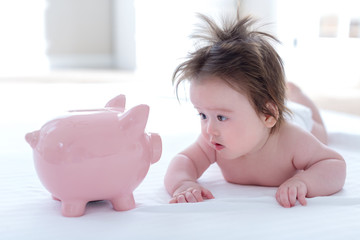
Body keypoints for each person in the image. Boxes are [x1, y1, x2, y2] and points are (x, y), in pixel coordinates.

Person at [164, 11, 346, 208]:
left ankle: (297, 95)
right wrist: (183, 183)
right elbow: (184, 161)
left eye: (221, 117)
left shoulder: (292, 140)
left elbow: (334, 165)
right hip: (270, 105)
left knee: (319, 130)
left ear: (268, 115)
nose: (209, 129)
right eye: (203, 115)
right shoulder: (213, 142)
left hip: (299, 119)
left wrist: (304, 182)